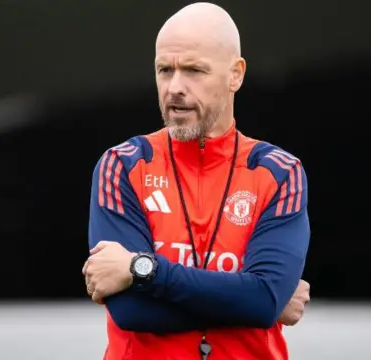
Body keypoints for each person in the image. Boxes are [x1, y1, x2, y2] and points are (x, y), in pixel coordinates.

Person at [82, 2, 311, 360]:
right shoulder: (122, 166)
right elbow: (132, 311)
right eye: (164, 70)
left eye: (193, 71)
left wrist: (143, 269)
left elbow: (262, 302)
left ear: (235, 75)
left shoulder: (280, 173)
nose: (175, 87)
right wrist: (246, 301)